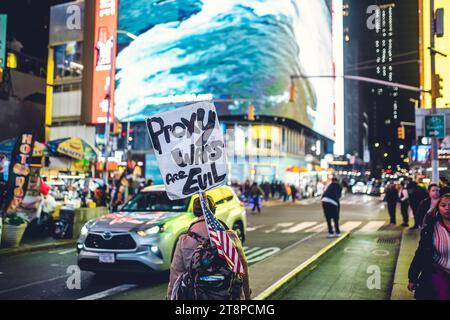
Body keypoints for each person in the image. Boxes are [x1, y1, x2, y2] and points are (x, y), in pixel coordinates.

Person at [167, 195, 251, 300]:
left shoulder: (184, 240)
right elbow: (242, 268)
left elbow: (176, 275)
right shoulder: (229, 237)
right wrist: (247, 295)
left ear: (194, 212)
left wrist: (170, 296)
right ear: (214, 210)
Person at [407, 194, 450, 300]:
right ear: (438, 208)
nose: (447, 208)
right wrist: (413, 277)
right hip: (439, 273)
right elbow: (421, 252)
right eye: (443, 205)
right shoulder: (431, 228)